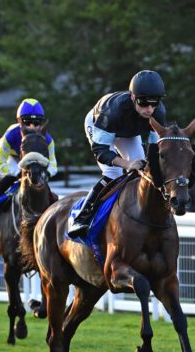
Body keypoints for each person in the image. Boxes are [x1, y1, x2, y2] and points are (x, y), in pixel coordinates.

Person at [66, 70, 166, 239]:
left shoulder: (158, 113)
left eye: (154, 103)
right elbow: (101, 152)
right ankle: (82, 217)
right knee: (113, 173)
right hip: (100, 124)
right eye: (143, 103)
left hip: (128, 131)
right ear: (133, 97)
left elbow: (155, 149)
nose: (149, 109)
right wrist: (127, 164)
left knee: (140, 170)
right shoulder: (112, 111)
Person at [0, 98, 58, 225]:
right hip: (13, 158)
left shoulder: (48, 140)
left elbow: (53, 164)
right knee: (8, 179)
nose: (32, 126)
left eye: (37, 123)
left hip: (35, 161)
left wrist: (46, 173)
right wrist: (16, 172)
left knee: (42, 184)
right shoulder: (11, 135)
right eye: (28, 122)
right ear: (19, 122)